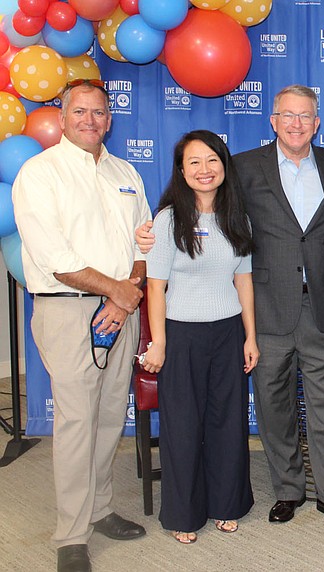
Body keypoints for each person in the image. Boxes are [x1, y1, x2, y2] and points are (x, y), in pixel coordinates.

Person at [137, 85, 324, 527]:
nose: (297, 124)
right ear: (273, 120)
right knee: (273, 404)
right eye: (288, 115)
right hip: (265, 309)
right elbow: (202, 210)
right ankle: (287, 491)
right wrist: (151, 231)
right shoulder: (241, 167)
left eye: (306, 116)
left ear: (317, 123)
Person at [12, 79, 149, 572]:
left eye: (99, 112)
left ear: (110, 118)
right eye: (80, 112)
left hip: (122, 311)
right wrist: (116, 291)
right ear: (63, 116)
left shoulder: (124, 171)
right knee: (75, 422)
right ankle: (71, 535)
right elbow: (54, 258)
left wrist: (128, 292)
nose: (90, 120)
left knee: (111, 415)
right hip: (70, 310)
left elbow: (143, 243)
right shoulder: (39, 173)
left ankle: (100, 508)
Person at [140, 130, 257, 544]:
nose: (204, 170)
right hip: (182, 335)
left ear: (224, 166)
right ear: (181, 170)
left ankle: (228, 504)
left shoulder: (236, 217)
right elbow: (155, 287)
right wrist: (160, 342)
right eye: (194, 162)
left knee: (228, 423)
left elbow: (243, 280)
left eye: (212, 160)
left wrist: (250, 337)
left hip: (228, 333)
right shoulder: (169, 219)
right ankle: (183, 514)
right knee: (183, 426)